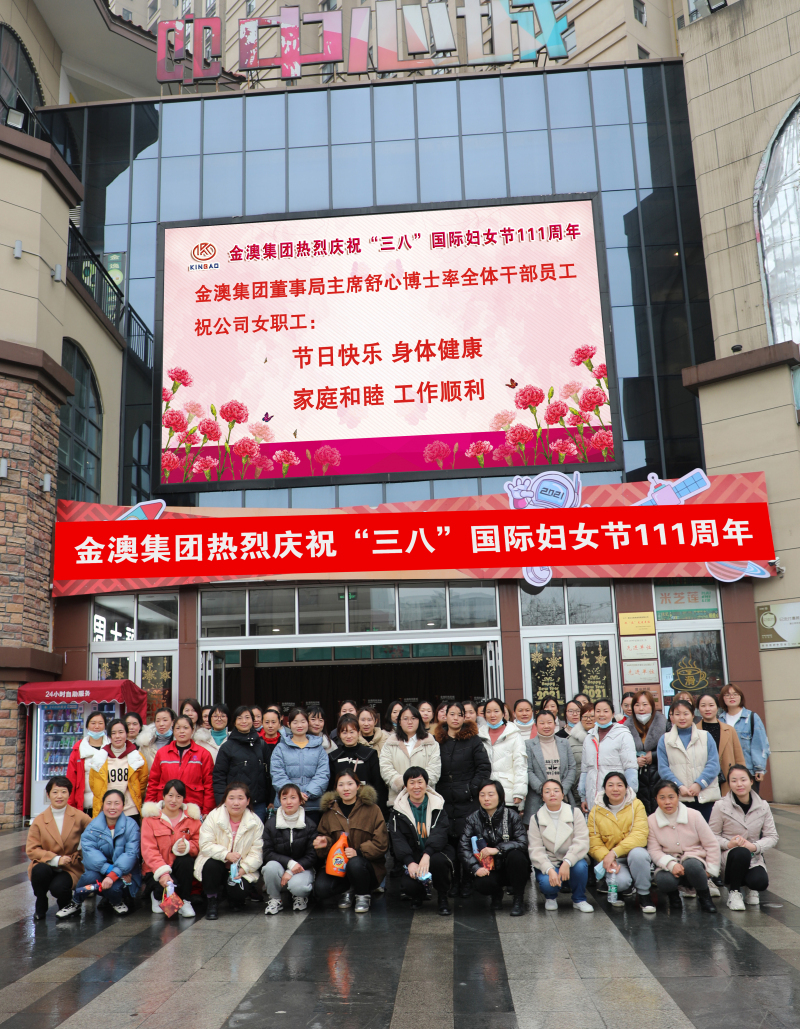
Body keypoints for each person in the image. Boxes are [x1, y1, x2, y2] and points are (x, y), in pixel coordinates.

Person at [434, 701, 492, 897]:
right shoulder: (436, 740)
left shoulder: (473, 740)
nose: (456, 718)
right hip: (443, 800)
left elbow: (483, 768)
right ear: (445, 716)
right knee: (448, 842)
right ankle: (453, 881)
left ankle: (468, 880)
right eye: (452, 714)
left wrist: (471, 789)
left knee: (466, 841)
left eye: (459, 714)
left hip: (467, 800)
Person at [313, 770, 388, 913]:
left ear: (358, 786)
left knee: (355, 863)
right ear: (336, 788)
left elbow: (381, 843)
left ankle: (363, 895)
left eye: (350, 784)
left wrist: (358, 852)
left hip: (367, 867)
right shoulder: (330, 812)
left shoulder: (372, 809)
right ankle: (348, 890)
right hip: (339, 866)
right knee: (321, 888)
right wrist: (325, 843)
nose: (345, 789)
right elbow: (324, 837)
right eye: (341, 785)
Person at [709, 764, 778, 911]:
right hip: (730, 857)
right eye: (734, 781)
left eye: (743, 779)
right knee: (741, 852)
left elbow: (772, 836)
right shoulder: (720, 806)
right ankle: (734, 892)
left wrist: (755, 846)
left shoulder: (763, 806)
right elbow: (711, 835)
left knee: (760, 882)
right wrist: (728, 844)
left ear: (751, 781)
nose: (739, 784)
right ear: (729, 784)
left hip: (753, 856)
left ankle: (749, 887)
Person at [647, 779, 720, 912]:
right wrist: (671, 864)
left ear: (678, 796)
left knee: (692, 865)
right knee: (663, 879)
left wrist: (711, 870)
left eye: (671, 797)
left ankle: (705, 897)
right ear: (656, 799)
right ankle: (674, 899)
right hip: (670, 861)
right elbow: (653, 850)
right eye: (662, 798)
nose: (667, 802)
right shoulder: (651, 821)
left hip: (695, 859)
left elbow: (711, 844)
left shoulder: (694, 815)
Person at [388, 767, 453, 915]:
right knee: (408, 886)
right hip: (413, 854)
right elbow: (398, 839)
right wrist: (409, 861)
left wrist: (427, 854)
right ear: (406, 786)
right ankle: (418, 895)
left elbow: (440, 833)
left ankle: (442, 897)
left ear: (426, 784)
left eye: (420, 782)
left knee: (439, 862)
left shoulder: (437, 805)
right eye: (412, 783)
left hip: (434, 852)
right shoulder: (397, 810)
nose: (416, 786)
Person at [460, 779, 530, 915]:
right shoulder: (472, 819)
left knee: (517, 856)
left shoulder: (512, 816)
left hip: (509, 866)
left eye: (491, 794)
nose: (486, 799)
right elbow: (464, 847)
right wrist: (475, 868)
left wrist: (498, 849)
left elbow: (522, 843)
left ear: (500, 796)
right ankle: (496, 894)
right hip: (488, 867)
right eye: (482, 795)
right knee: (482, 884)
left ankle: (518, 899)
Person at [588, 771, 655, 913]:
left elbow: (640, 835)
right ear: (604, 788)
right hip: (613, 860)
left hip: (632, 854)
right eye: (610, 785)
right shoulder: (595, 810)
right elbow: (594, 842)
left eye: (619, 785)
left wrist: (614, 852)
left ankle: (644, 895)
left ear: (626, 788)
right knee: (620, 882)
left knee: (638, 854)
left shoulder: (636, 805)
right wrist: (608, 858)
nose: (615, 789)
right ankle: (621, 889)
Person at [195, 782, 263, 920]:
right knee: (211, 865)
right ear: (225, 800)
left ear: (248, 801)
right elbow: (205, 844)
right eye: (231, 798)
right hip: (217, 863)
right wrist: (226, 854)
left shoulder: (255, 822)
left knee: (238, 894)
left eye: (240, 798)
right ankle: (212, 901)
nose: (236, 803)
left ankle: (233, 897)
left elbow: (257, 852)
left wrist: (244, 868)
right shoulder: (214, 817)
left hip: (240, 867)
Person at [26, 775, 91, 920]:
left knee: (58, 888)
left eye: (63, 792)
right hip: (46, 863)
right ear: (48, 794)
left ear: (69, 794)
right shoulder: (39, 820)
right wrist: (55, 859)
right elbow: (32, 849)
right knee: (39, 871)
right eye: (55, 792)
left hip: (70, 866)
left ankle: (67, 903)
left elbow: (95, 832)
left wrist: (82, 853)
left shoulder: (79, 816)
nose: (59, 796)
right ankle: (41, 900)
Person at [527, 779, 593, 912]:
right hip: (550, 861)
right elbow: (536, 849)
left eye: (556, 791)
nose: (552, 794)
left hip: (572, 860)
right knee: (547, 883)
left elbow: (581, 841)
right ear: (542, 797)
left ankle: (579, 899)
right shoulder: (536, 818)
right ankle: (550, 897)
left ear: (563, 795)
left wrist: (567, 862)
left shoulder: (575, 813)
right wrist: (549, 869)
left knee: (580, 867)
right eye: (547, 791)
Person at [75, 789, 142, 916]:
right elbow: (90, 853)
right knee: (88, 878)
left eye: (117, 803)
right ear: (103, 805)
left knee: (113, 889)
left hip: (126, 873)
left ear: (123, 805)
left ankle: (116, 901)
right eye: (109, 803)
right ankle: (75, 902)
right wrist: (111, 872)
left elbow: (131, 854)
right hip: (103, 871)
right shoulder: (93, 826)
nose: (112, 807)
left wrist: (115, 874)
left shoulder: (131, 826)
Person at [141, 779, 201, 918]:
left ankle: (185, 900)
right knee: (170, 910)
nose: (174, 800)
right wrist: (163, 873)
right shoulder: (150, 819)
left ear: (183, 799)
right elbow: (149, 850)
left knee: (186, 861)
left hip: (178, 867)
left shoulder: (192, 819)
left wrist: (188, 846)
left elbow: (199, 843)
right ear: (163, 796)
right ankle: (156, 896)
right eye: (170, 795)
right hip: (155, 870)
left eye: (178, 796)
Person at [657, 699, 721, 821]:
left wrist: (699, 784)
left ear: (692, 715)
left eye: (686, 713)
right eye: (677, 714)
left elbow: (714, 764)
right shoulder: (665, 740)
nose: (682, 717)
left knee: (708, 831)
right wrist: (679, 786)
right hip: (679, 798)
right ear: (671, 717)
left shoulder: (705, 736)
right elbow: (663, 769)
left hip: (706, 797)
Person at [262, 783, 317, 914]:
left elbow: (312, 855)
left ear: (300, 800)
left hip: (303, 867)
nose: (289, 802)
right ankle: (275, 899)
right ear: (279, 801)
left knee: (298, 887)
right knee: (270, 868)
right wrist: (290, 863)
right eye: (284, 798)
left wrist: (291, 871)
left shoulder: (309, 824)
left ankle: (300, 897)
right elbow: (267, 852)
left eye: (293, 797)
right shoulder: (271, 824)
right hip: (280, 866)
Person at [145, 714, 215, 815]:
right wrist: (150, 808)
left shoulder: (203, 754)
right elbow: (153, 782)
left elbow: (209, 785)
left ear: (192, 730)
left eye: (185, 728)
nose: (181, 731)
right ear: (173, 730)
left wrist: (207, 810)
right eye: (178, 728)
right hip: (165, 807)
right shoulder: (162, 753)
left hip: (193, 808)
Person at [270, 707, 331, 821]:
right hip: (287, 805)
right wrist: (294, 795)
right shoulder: (280, 748)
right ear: (288, 724)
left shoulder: (319, 748)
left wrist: (308, 793)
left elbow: (323, 775)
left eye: (303, 721)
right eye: (295, 722)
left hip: (312, 805)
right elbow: (277, 775)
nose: (299, 725)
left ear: (308, 723)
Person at [579, 697, 637, 813]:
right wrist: (583, 796)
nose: (601, 714)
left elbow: (630, 767)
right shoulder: (589, 737)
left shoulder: (623, 735)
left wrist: (630, 794)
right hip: (592, 796)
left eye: (605, 711)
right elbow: (585, 769)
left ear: (613, 713)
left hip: (616, 796)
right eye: (598, 711)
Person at [213, 706, 272, 821]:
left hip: (258, 804)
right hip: (234, 804)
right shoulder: (227, 747)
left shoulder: (261, 745)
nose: (244, 721)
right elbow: (219, 777)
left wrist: (271, 800)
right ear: (234, 722)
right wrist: (222, 802)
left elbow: (270, 774)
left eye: (247, 717)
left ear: (253, 720)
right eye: (239, 718)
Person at [380, 704, 441, 807]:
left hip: (426, 800)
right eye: (405, 719)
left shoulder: (431, 743)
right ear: (399, 722)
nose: (409, 722)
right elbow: (385, 768)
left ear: (419, 720)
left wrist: (418, 785)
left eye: (413, 718)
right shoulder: (390, 743)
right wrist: (403, 784)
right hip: (398, 800)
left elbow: (434, 769)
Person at [87, 718, 148, 819]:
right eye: (113, 733)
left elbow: (142, 783)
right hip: (107, 809)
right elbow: (94, 784)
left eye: (121, 732)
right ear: (109, 736)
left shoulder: (137, 757)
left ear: (126, 733)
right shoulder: (99, 758)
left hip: (130, 810)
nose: (117, 736)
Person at [523, 709, 576, 823]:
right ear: (536, 725)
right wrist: (544, 791)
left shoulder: (564, 743)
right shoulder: (528, 745)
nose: (546, 726)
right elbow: (528, 770)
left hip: (563, 797)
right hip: (537, 798)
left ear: (554, 724)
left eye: (549, 722)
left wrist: (561, 791)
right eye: (542, 723)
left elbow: (572, 767)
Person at [478, 698, 527, 813]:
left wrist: (519, 792)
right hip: (485, 795)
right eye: (488, 712)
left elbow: (520, 765)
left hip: (508, 794)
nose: (492, 715)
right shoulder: (479, 736)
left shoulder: (514, 735)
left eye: (496, 711)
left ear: (503, 713)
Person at [719, 684, 771, 792]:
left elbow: (760, 745)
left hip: (748, 771)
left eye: (735, 694)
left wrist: (759, 769)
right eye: (727, 695)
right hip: (725, 774)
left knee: (749, 800)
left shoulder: (751, 717)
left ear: (741, 697)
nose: (731, 697)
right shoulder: (719, 720)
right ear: (722, 698)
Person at [625, 691, 668, 815]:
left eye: (645, 704)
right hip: (637, 779)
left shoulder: (664, 724)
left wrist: (654, 756)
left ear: (652, 706)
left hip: (659, 775)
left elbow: (671, 749)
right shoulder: (625, 728)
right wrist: (634, 760)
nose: (641, 708)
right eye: (637, 705)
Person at [696, 692, 745, 795]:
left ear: (717, 707)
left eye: (711, 705)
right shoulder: (694, 731)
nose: (707, 709)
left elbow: (739, 757)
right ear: (698, 709)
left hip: (726, 777)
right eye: (703, 706)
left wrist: (741, 778)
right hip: (702, 779)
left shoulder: (729, 730)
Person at [328, 714, 383, 796]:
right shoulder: (333, 756)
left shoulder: (370, 754)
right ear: (339, 734)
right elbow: (330, 786)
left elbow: (378, 784)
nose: (348, 736)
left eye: (352, 732)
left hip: (366, 801)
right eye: (344, 732)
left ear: (358, 732)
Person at [65, 711, 108, 813]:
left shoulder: (112, 748)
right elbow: (71, 780)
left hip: (108, 805)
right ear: (87, 726)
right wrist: (70, 806)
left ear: (105, 726)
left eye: (100, 723)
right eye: (93, 723)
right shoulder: (78, 750)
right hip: (85, 805)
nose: (96, 726)